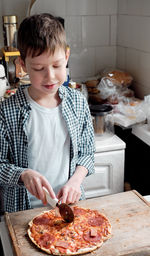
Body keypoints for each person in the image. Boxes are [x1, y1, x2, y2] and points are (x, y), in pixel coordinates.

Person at [0, 13, 95, 214]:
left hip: (69, 207)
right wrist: (23, 174)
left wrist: (76, 181)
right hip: (22, 212)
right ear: (23, 65)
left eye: (57, 65)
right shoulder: (7, 112)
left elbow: (87, 153)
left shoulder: (77, 102)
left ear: (66, 57)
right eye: (39, 68)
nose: (50, 76)